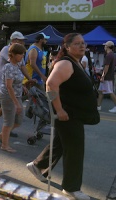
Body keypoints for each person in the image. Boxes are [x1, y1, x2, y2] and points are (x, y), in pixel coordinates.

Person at [26, 33, 99, 200]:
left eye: (83, 43)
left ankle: (37, 166)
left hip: (72, 114)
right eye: (77, 43)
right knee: (75, 150)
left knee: (59, 144)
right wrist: (58, 110)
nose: (82, 46)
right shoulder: (66, 62)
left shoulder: (75, 62)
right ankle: (71, 188)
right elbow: (50, 85)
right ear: (67, 47)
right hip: (68, 115)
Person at [0, 31, 30, 137]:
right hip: (4, 83)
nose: (22, 42)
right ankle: (0, 129)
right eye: (20, 41)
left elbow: (22, 66)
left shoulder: (19, 51)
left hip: (13, 83)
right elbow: (16, 63)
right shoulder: (8, 50)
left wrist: (29, 79)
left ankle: (1, 127)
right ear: (14, 40)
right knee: (8, 105)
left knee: (8, 107)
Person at [0, 43, 26, 153]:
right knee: (8, 121)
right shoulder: (9, 66)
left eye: (23, 54)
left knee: (19, 119)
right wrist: (16, 103)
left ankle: (1, 136)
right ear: (13, 54)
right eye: (20, 54)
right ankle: (5, 145)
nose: (22, 56)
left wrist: (22, 87)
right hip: (8, 96)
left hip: (16, 95)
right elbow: (8, 86)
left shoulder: (16, 65)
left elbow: (15, 81)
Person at [97, 41, 116, 113]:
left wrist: (102, 76)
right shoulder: (113, 55)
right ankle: (98, 106)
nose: (104, 47)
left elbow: (106, 67)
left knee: (110, 92)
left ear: (108, 47)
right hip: (109, 75)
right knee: (101, 91)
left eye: (105, 46)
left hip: (107, 77)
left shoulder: (109, 55)